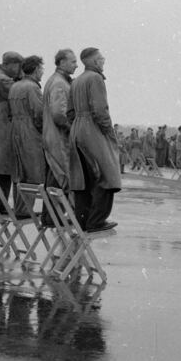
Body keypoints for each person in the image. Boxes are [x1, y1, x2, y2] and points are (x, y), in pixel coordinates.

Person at [69, 47, 122, 232]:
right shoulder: (95, 78)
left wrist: (78, 126)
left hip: (77, 129)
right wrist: (108, 132)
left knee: (83, 180)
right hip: (92, 129)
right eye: (100, 58)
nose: (103, 61)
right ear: (92, 61)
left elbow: (69, 112)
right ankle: (97, 220)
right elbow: (100, 110)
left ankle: (83, 221)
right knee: (109, 176)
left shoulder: (76, 81)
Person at [0, 51, 24, 204]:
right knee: (4, 168)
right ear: (11, 64)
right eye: (18, 66)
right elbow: (19, 92)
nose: (19, 69)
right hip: (4, 126)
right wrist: (22, 76)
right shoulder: (3, 79)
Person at [9, 55, 47, 190]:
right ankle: (25, 210)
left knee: (19, 172)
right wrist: (43, 132)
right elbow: (39, 113)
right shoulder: (33, 88)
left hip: (15, 130)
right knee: (32, 171)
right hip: (30, 131)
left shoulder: (15, 86)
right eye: (41, 68)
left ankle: (20, 209)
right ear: (36, 69)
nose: (42, 72)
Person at [42, 48, 77, 190]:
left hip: (52, 136)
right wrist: (73, 129)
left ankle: (49, 212)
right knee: (61, 178)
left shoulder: (55, 80)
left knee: (54, 178)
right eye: (73, 61)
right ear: (62, 62)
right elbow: (59, 114)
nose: (76, 65)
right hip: (59, 138)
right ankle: (53, 212)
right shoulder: (59, 83)